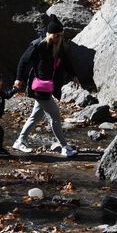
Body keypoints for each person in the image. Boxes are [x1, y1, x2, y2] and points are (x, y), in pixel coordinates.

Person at [12, 14, 80, 157]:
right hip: (39, 86)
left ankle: (20, 141)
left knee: (35, 116)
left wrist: (74, 75)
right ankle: (64, 147)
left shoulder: (59, 45)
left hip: (49, 86)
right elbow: (24, 61)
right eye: (56, 35)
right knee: (55, 116)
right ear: (49, 34)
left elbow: (66, 61)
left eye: (61, 35)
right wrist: (19, 78)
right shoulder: (38, 44)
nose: (59, 38)